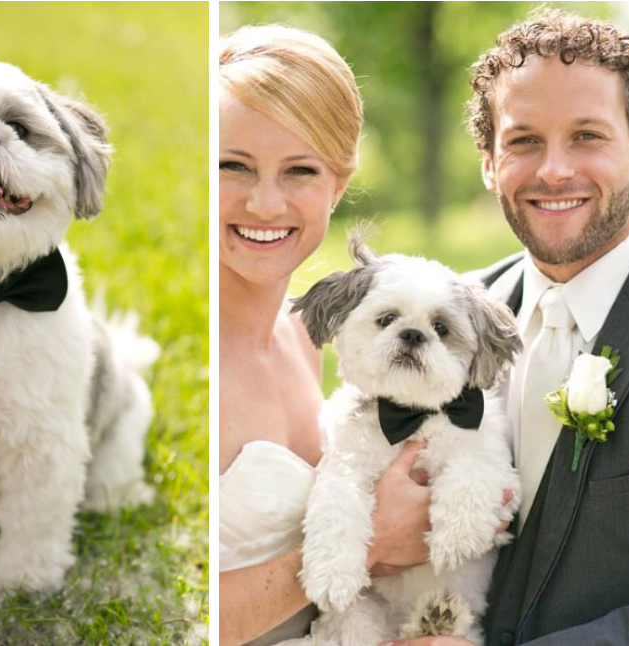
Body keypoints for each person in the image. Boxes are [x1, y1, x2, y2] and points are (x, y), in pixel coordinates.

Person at [385, 8, 629, 646]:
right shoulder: (441, 319)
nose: (554, 170)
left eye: (587, 136)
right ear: (488, 162)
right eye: (524, 140)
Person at [219, 25, 435, 646]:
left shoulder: (322, 338)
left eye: (299, 171)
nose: (264, 204)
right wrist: (364, 540)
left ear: (337, 185)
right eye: (235, 165)